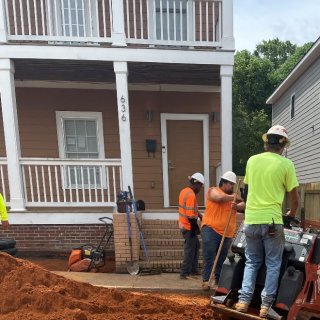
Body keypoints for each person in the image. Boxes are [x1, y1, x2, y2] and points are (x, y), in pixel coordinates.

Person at [235, 125, 300, 318]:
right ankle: (265, 306)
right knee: (273, 263)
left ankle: (243, 301)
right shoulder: (286, 164)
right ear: (283, 145)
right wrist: (292, 211)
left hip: (251, 220)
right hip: (272, 221)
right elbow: (294, 197)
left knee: (252, 262)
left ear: (266, 143)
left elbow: (247, 190)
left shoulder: (252, 161)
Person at [201, 171, 245, 290]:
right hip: (211, 229)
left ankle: (219, 280)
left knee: (222, 258)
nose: (232, 187)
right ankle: (206, 280)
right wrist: (234, 197)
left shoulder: (234, 197)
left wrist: (237, 206)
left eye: (233, 184)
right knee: (209, 256)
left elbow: (244, 205)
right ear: (223, 183)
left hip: (227, 233)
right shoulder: (213, 190)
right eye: (231, 184)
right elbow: (219, 198)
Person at [178, 172, 204, 279]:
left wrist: (200, 216)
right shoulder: (191, 195)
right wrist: (196, 229)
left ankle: (193, 270)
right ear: (196, 184)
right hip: (188, 226)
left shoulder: (184, 191)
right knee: (189, 249)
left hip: (184, 224)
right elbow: (190, 215)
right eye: (200, 186)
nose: (200, 189)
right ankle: (184, 273)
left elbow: (190, 209)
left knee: (196, 246)